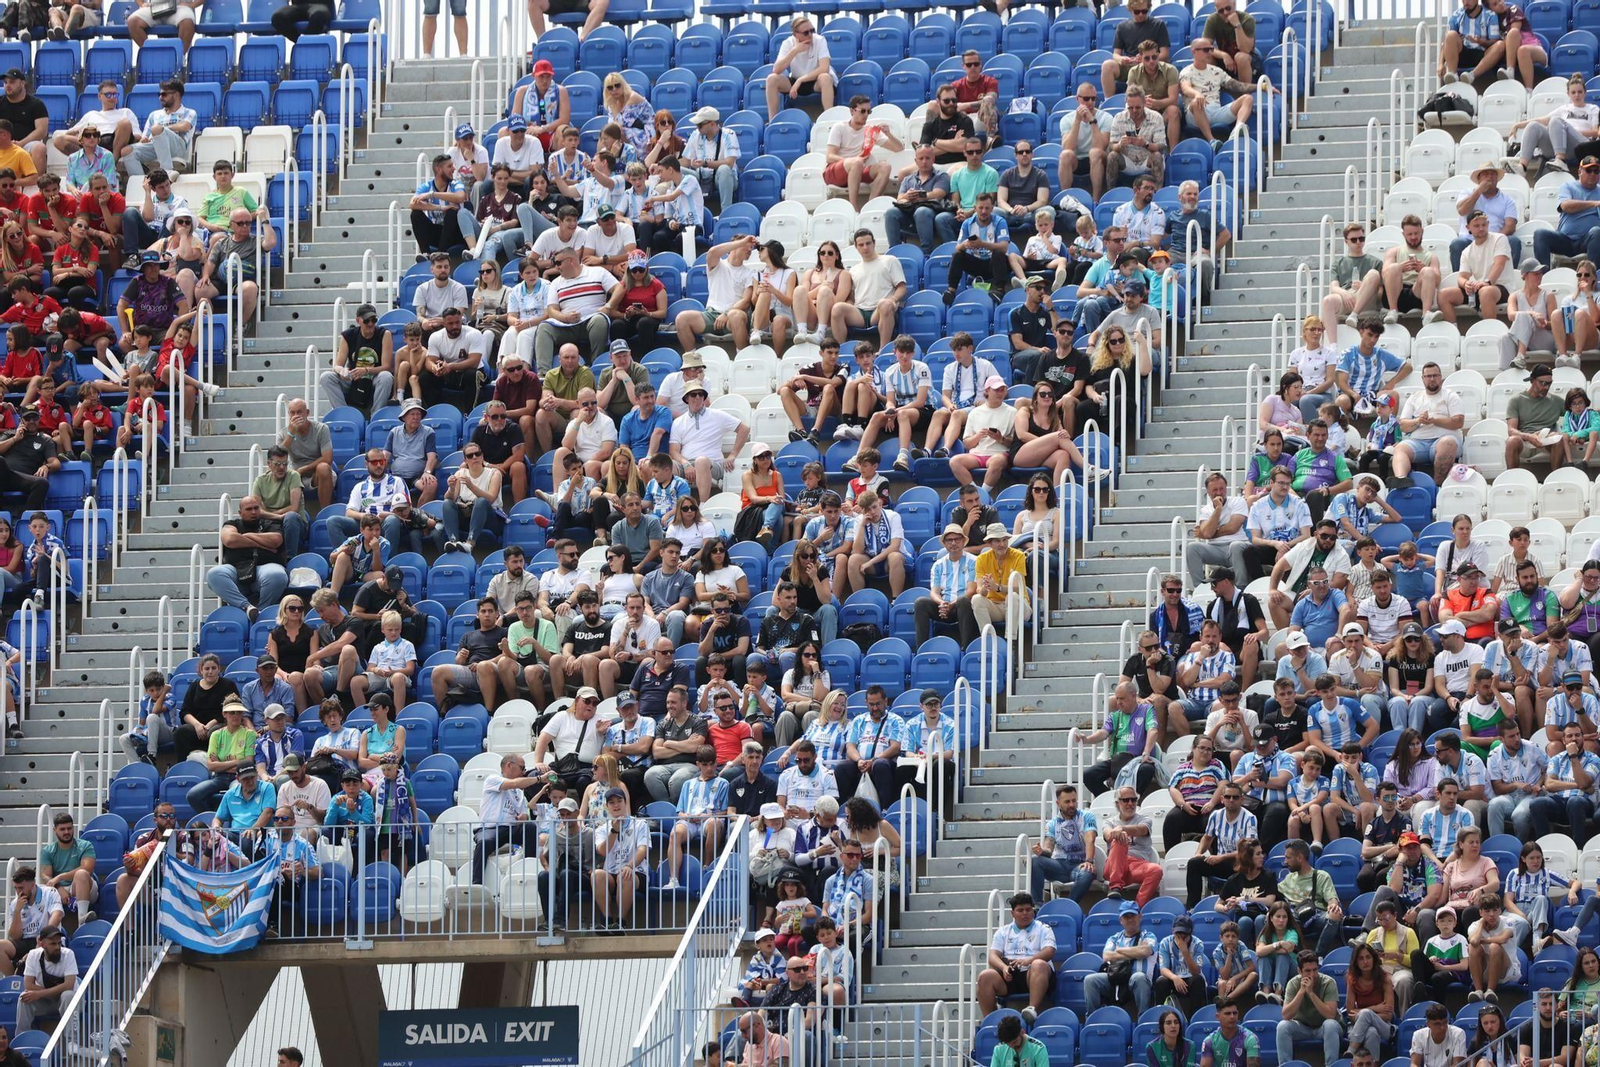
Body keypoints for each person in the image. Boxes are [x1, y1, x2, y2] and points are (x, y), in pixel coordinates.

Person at [977, 892, 1056, 1025]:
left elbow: (1049, 951)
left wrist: (1028, 960)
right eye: (1020, 910)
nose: (1025, 913)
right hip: (1011, 974)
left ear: (1033, 911)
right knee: (985, 975)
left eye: (1028, 910)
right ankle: (989, 1021)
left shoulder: (1044, 928)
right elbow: (992, 956)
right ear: (1012, 913)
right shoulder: (1003, 931)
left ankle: (1032, 1010)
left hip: (1035, 974)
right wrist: (1003, 968)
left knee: (1038, 964)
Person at [1083, 901, 1156, 1015]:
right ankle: (1093, 1018)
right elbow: (1107, 956)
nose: (1130, 919)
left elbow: (1146, 951)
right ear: (1121, 920)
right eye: (1126, 917)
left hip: (1137, 981)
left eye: (1133, 916)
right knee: (1090, 980)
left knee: (1139, 977)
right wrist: (1136, 951)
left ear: (1140, 917)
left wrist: (1119, 950)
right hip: (1116, 978)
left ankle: (1143, 1017)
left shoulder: (1149, 936)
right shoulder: (1114, 938)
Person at [1276, 951, 1342, 1064]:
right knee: (1282, 1026)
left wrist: (1311, 993)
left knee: (1330, 1024)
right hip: (1303, 1027)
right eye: (1307, 971)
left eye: (1315, 970)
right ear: (1299, 971)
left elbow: (1331, 1015)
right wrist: (1302, 991)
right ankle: (1286, 1065)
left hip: (1325, 1027)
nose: (1312, 974)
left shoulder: (1328, 982)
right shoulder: (1293, 984)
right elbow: (1286, 1015)